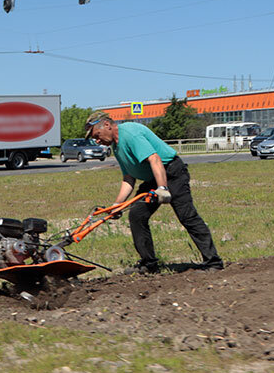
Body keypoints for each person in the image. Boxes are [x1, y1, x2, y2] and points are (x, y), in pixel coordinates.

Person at [85, 111, 224, 273]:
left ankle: (213, 262)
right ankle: (149, 265)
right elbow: (129, 178)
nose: (97, 140)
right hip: (153, 178)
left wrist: (163, 188)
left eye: (97, 135)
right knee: (137, 215)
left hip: (172, 173)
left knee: (187, 216)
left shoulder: (129, 134)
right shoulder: (116, 147)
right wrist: (117, 204)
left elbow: (155, 159)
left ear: (107, 125)